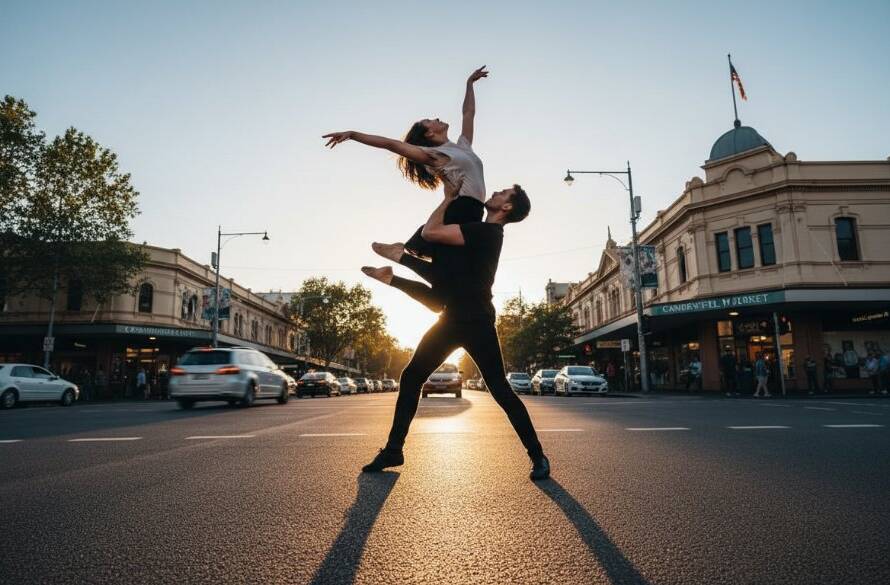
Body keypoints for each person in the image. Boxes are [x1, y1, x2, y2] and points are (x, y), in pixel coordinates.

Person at [360, 180, 549, 481]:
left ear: (507, 207)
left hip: (476, 322)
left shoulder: (487, 232)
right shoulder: (476, 231)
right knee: (411, 376)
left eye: (502, 193)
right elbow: (443, 274)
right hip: (449, 317)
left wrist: (447, 200)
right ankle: (394, 449)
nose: (496, 192)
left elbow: (430, 232)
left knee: (501, 390)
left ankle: (538, 456)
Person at [323, 66, 489, 312]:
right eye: (429, 121)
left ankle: (397, 262)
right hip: (462, 210)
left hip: (472, 211)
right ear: (430, 133)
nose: (434, 117)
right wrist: (353, 134)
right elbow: (391, 144)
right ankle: (399, 257)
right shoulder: (434, 155)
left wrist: (469, 83)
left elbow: (468, 113)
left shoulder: (461, 146)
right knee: (455, 276)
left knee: (446, 287)